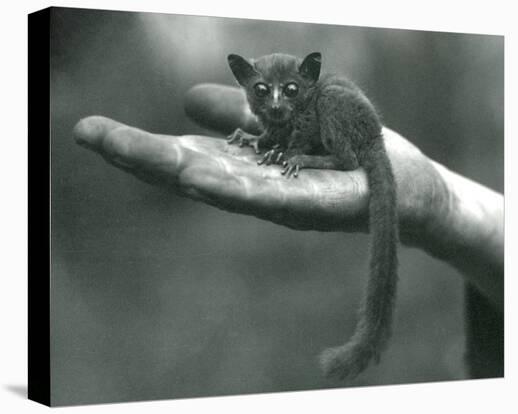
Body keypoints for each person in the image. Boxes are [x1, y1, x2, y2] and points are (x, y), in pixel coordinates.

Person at [73, 83, 504, 378]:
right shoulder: (282, 113)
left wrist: (448, 205)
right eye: (265, 94)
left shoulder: (317, 110)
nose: (276, 103)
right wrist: (453, 210)